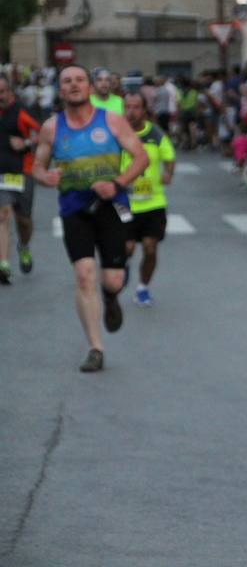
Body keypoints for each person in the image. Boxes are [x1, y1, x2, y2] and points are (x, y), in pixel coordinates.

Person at [31, 64, 149, 373]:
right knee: (84, 275)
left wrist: (117, 184)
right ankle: (96, 348)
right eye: (67, 80)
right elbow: (37, 167)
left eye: (79, 80)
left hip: (111, 205)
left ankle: (111, 297)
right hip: (74, 210)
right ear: (60, 89)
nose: (74, 85)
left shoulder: (110, 120)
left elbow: (141, 157)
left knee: (113, 279)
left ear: (90, 87)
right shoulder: (52, 128)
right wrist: (46, 177)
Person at [120, 92, 175, 307]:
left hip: (153, 202)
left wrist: (169, 173)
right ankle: (122, 265)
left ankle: (143, 287)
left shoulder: (155, 134)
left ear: (144, 110)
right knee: (128, 247)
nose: (131, 112)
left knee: (150, 247)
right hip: (124, 203)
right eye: (128, 107)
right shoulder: (118, 135)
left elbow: (169, 156)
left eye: (136, 107)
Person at [0, 75, 40, 284]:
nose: (0, 97)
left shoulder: (22, 112)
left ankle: (23, 247)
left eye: (2, 92)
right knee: (3, 214)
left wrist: (25, 142)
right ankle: (3, 264)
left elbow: (41, 134)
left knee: (23, 221)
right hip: (1, 173)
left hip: (22, 172)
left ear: (10, 92)